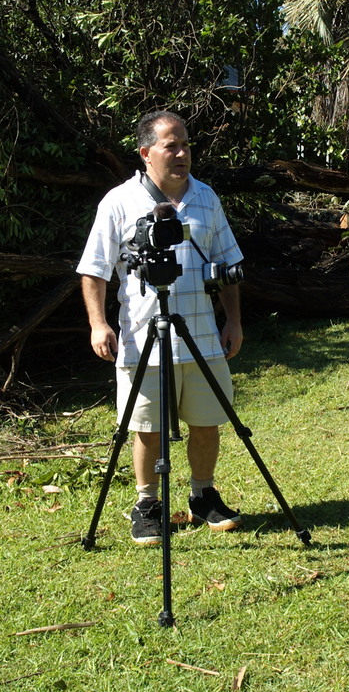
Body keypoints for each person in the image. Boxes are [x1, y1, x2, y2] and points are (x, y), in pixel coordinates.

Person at [77, 110, 245, 546]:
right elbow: (93, 270)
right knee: (146, 428)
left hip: (203, 336)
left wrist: (234, 320)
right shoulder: (118, 202)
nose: (182, 153)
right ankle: (147, 502)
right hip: (142, 338)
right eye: (172, 145)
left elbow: (229, 265)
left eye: (186, 144)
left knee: (207, 423)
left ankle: (202, 494)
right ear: (146, 152)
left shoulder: (207, 197)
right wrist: (98, 325)